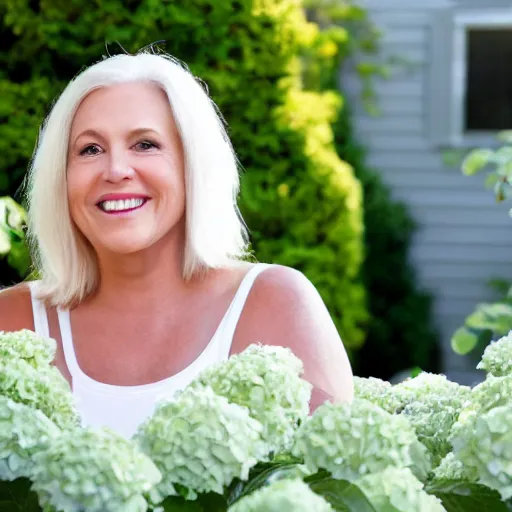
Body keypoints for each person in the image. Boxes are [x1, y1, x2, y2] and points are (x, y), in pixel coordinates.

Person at [0, 52, 354, 438]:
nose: (116, 169)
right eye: (90, 149)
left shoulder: (276, 305)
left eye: (145, 144)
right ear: (61, 177)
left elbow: (338, 484)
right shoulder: (12, 323)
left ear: (193, 166)